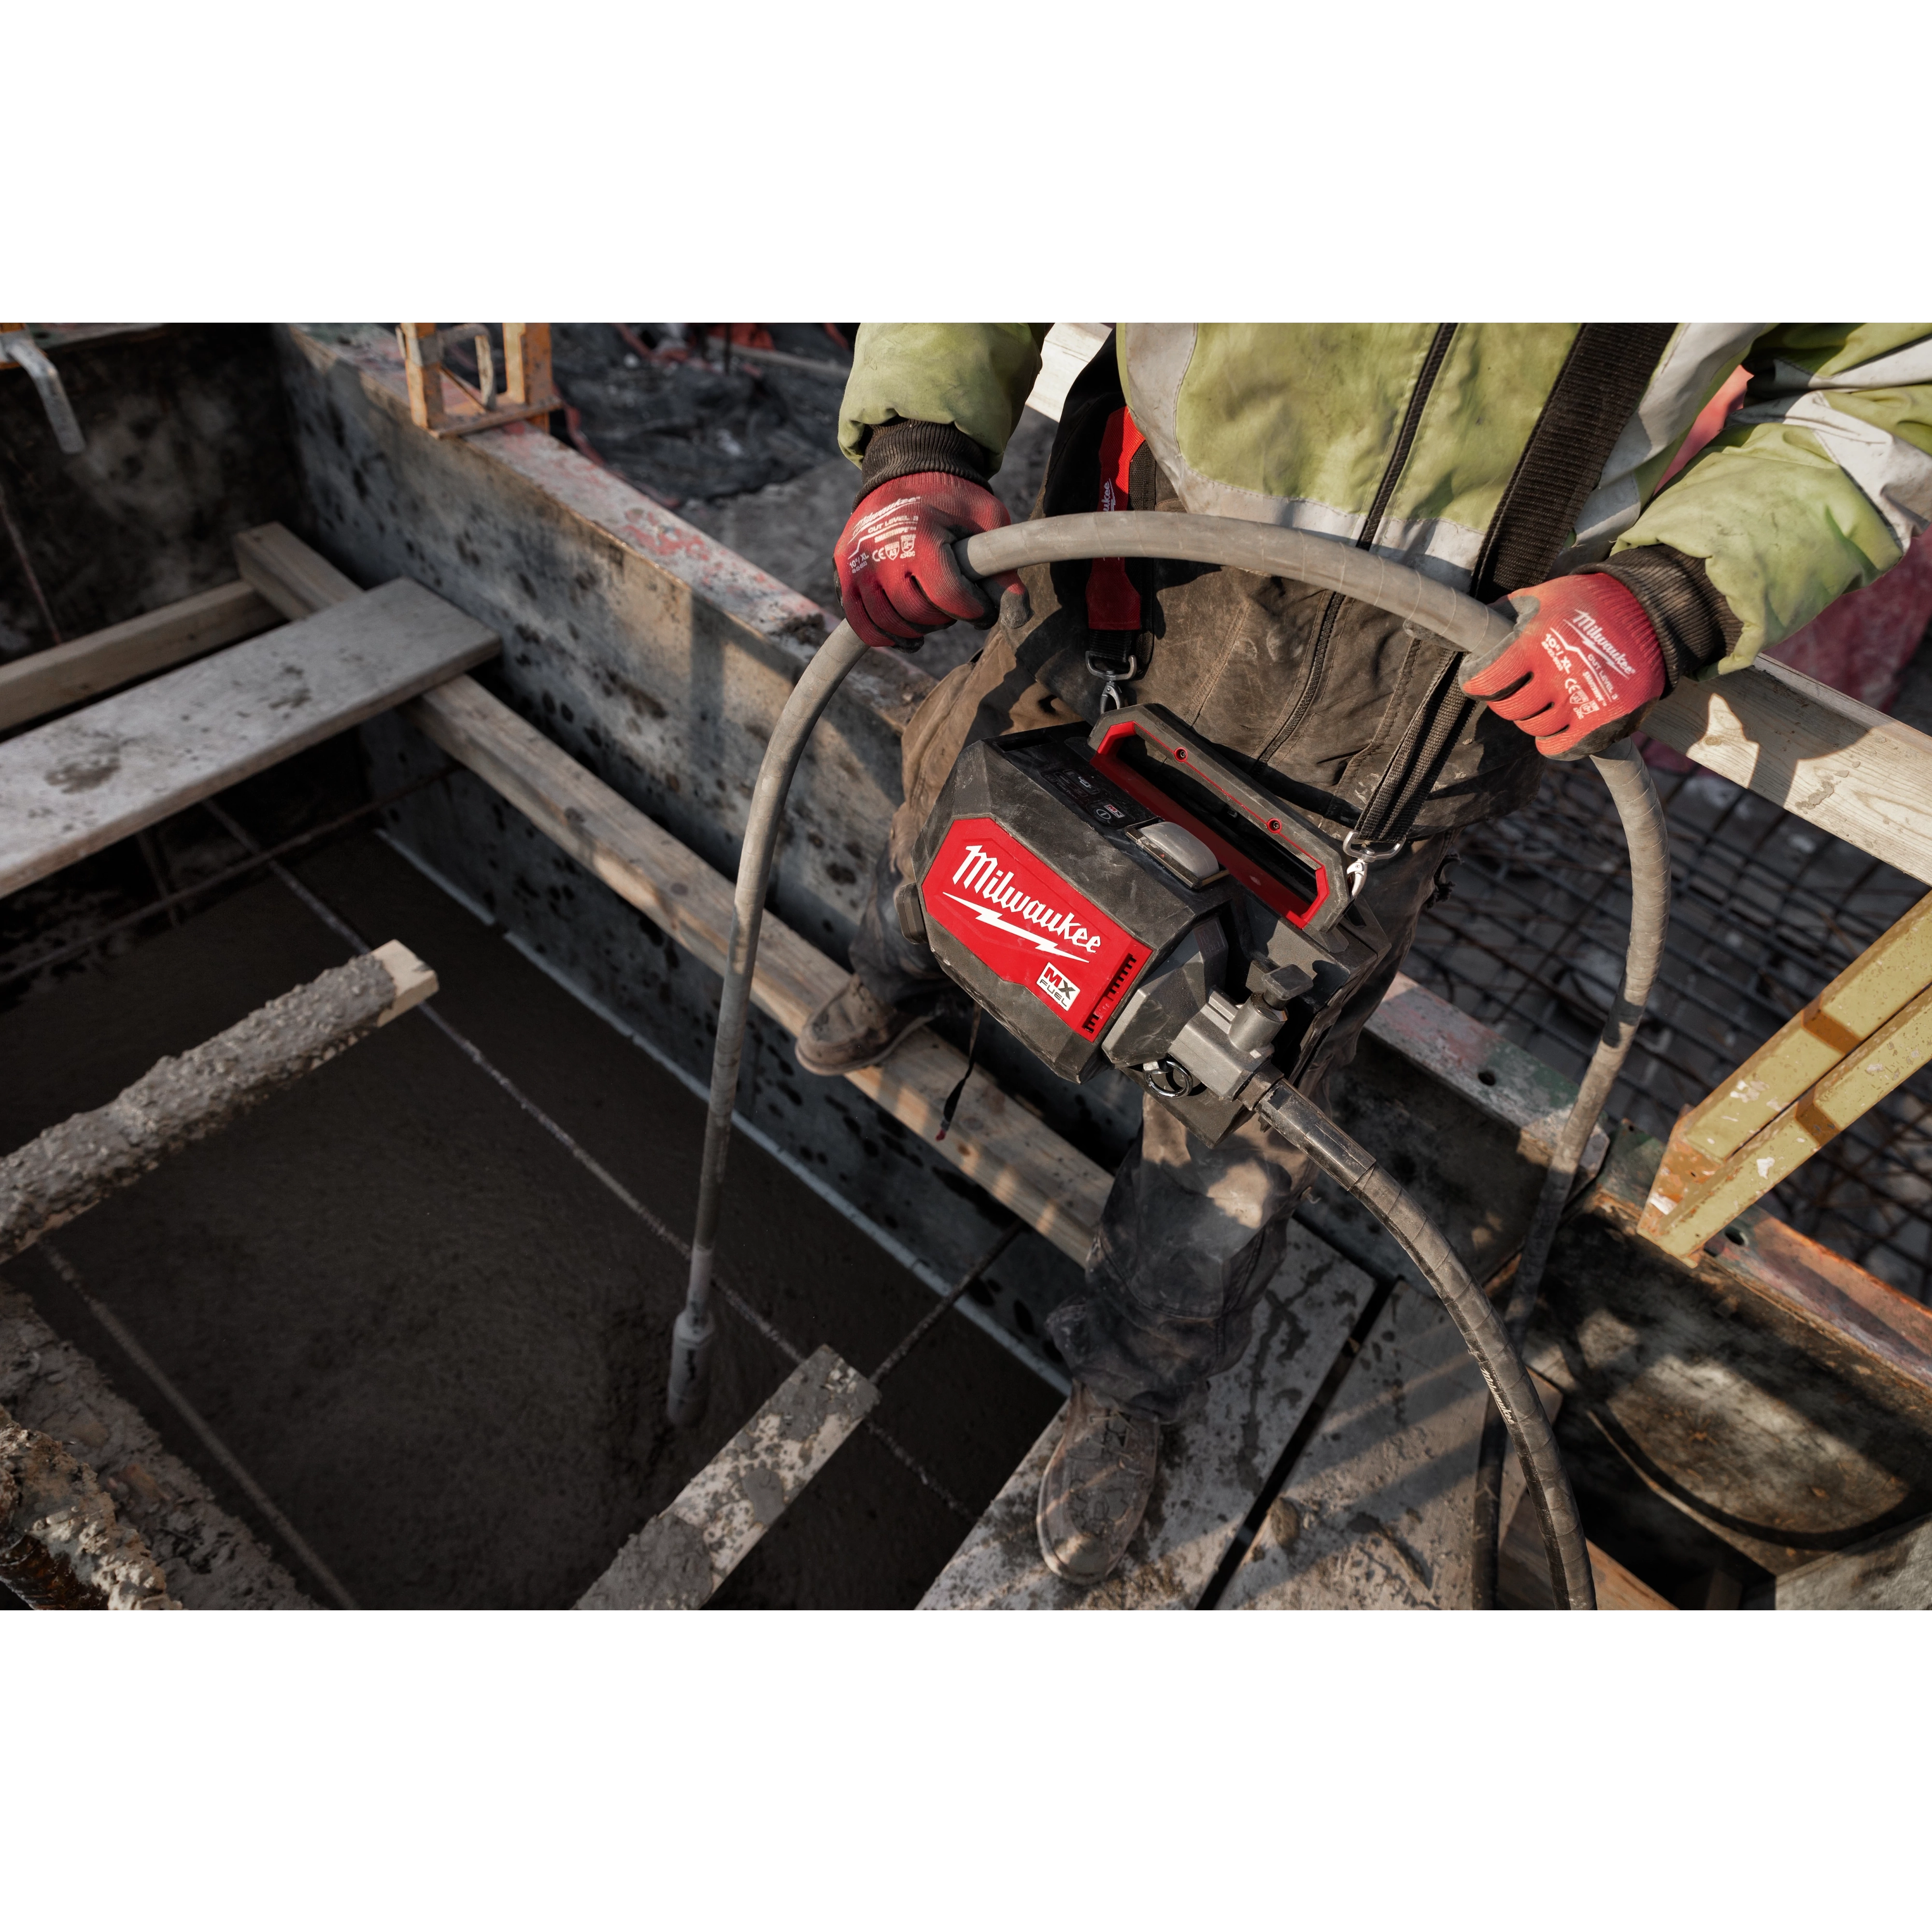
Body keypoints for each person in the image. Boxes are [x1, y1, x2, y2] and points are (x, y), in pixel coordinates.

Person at [800, 322, 1932, 1585]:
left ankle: (1132, 1385)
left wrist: (1684, 587)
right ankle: (901, 974)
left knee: (1236, 1093)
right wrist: (918, 440)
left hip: (1420, 704)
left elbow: (1890, 386)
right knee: (961, 832)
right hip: (1136, 565)